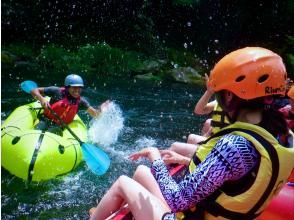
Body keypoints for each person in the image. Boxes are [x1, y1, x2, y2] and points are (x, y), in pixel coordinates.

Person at [90, 47, 294, 220]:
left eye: (221, 94)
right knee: (141, 173)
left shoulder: (235, 146)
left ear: (230, 96)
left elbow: (177, 199)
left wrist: (155, 157)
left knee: (122, 183)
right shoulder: (284, 134)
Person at [169, 74, 230, 158]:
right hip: (219, 143)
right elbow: (199, 110)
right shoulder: (220, 102)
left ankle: (189, 160)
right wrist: (209, 92)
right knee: (193, 136)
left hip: (222, 149)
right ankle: (191, 159)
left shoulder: (236, 107)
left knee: (174, 146)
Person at [31, 74, 110, 133]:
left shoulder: (81, 102)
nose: (77, 90)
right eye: (74, 87)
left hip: (60, 127)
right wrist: (41, 99)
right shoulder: (56, 91)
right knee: (38, 129)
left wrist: (102, 108)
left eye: (79, 87)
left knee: (53, 131)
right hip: (45, 120)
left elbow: (95, 114)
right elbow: (34, 90)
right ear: (67, 87)